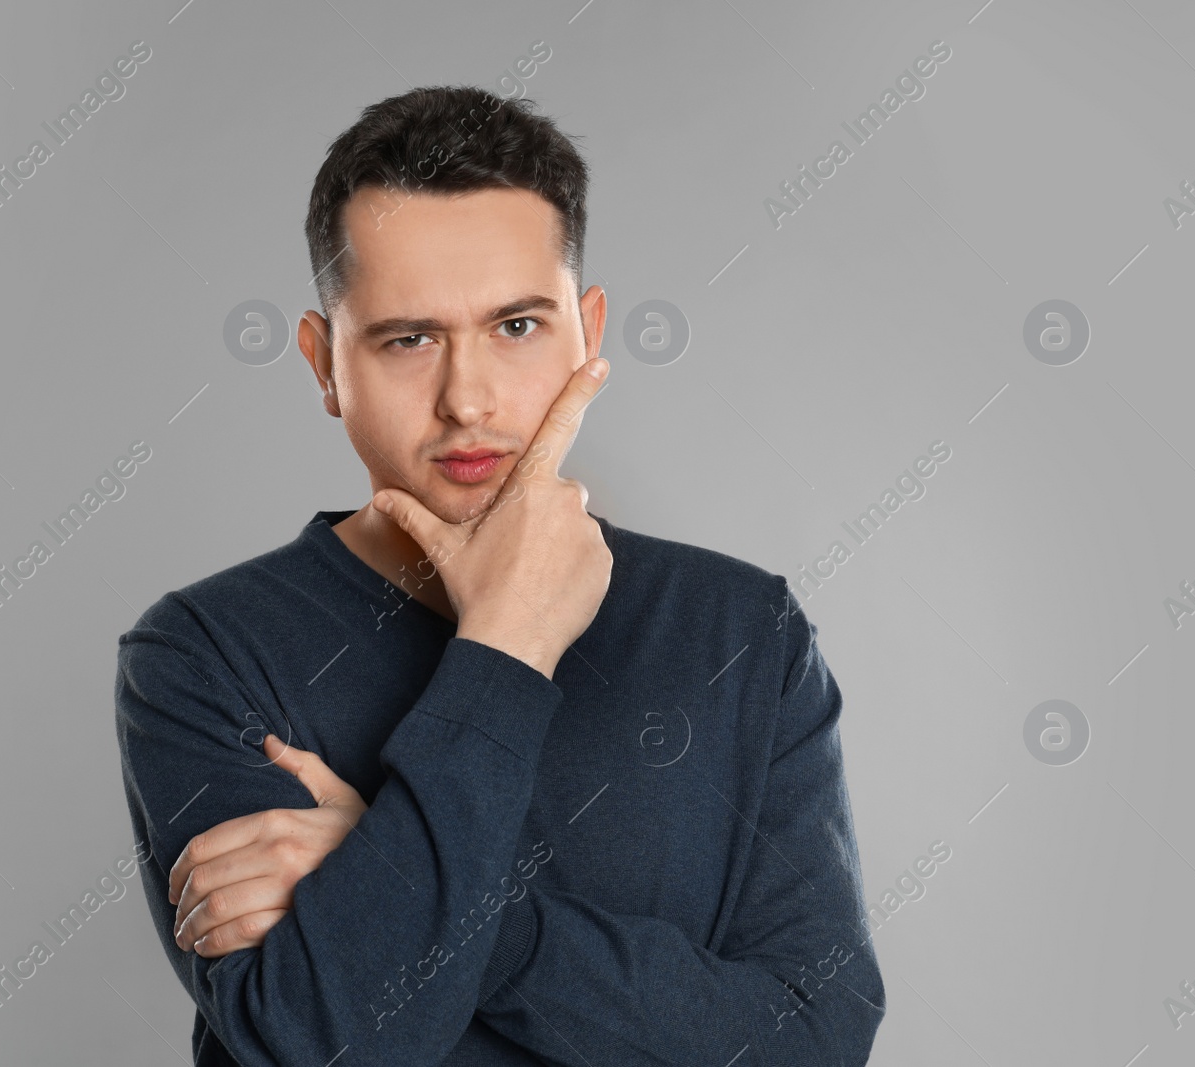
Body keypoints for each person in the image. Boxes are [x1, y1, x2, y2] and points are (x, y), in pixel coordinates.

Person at [114, 84, 885, 1066]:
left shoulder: (742, 629)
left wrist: (422, 892)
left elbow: (814, 1040)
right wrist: (508, 640)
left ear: (586, 332)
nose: (466, 399)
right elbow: (336, 1045)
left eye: (516, 327)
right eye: (407, 338)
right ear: (323, 365)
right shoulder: (202, 651)